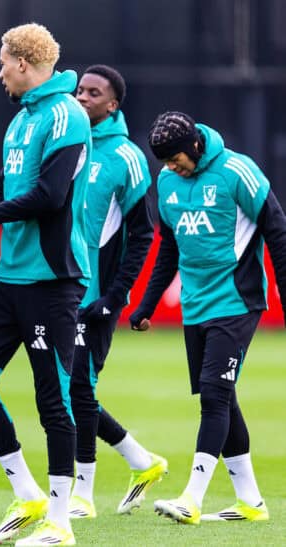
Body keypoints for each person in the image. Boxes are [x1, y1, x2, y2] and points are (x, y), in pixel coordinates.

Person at [0, 23, 91, 546]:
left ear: (24, 64)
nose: (0, 72)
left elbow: (50, 196)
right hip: (9, 279)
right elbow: (4, 185)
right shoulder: (21, 120)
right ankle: (27, 492)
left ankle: (60, 521)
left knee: (53, 400)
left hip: (52, 281)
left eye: (3, 62)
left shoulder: (66, 116)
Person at [130, 111, 286, 525]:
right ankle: (250, 502)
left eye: (175, 159)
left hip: (237, 302)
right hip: (195, 305)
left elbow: (278, 231)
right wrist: (146, 304)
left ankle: (191, 498)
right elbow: (168, 247)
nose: (171, 168)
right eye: (163, 162)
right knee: (221, 395)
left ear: (195, 145)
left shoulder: (239, 171)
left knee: (215, 396)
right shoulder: (166, 182)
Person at [67, 64, 166, 519]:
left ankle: (82, 495)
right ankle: (141, 462)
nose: (82, 97)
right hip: (57, 292)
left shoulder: (126, 156)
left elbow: (143, 234)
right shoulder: (63, 144)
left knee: (79, 388)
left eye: (93, 92)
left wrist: (115, 295)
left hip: (96, 295)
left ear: (113, 105)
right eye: (79, 89)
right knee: (67, 391)